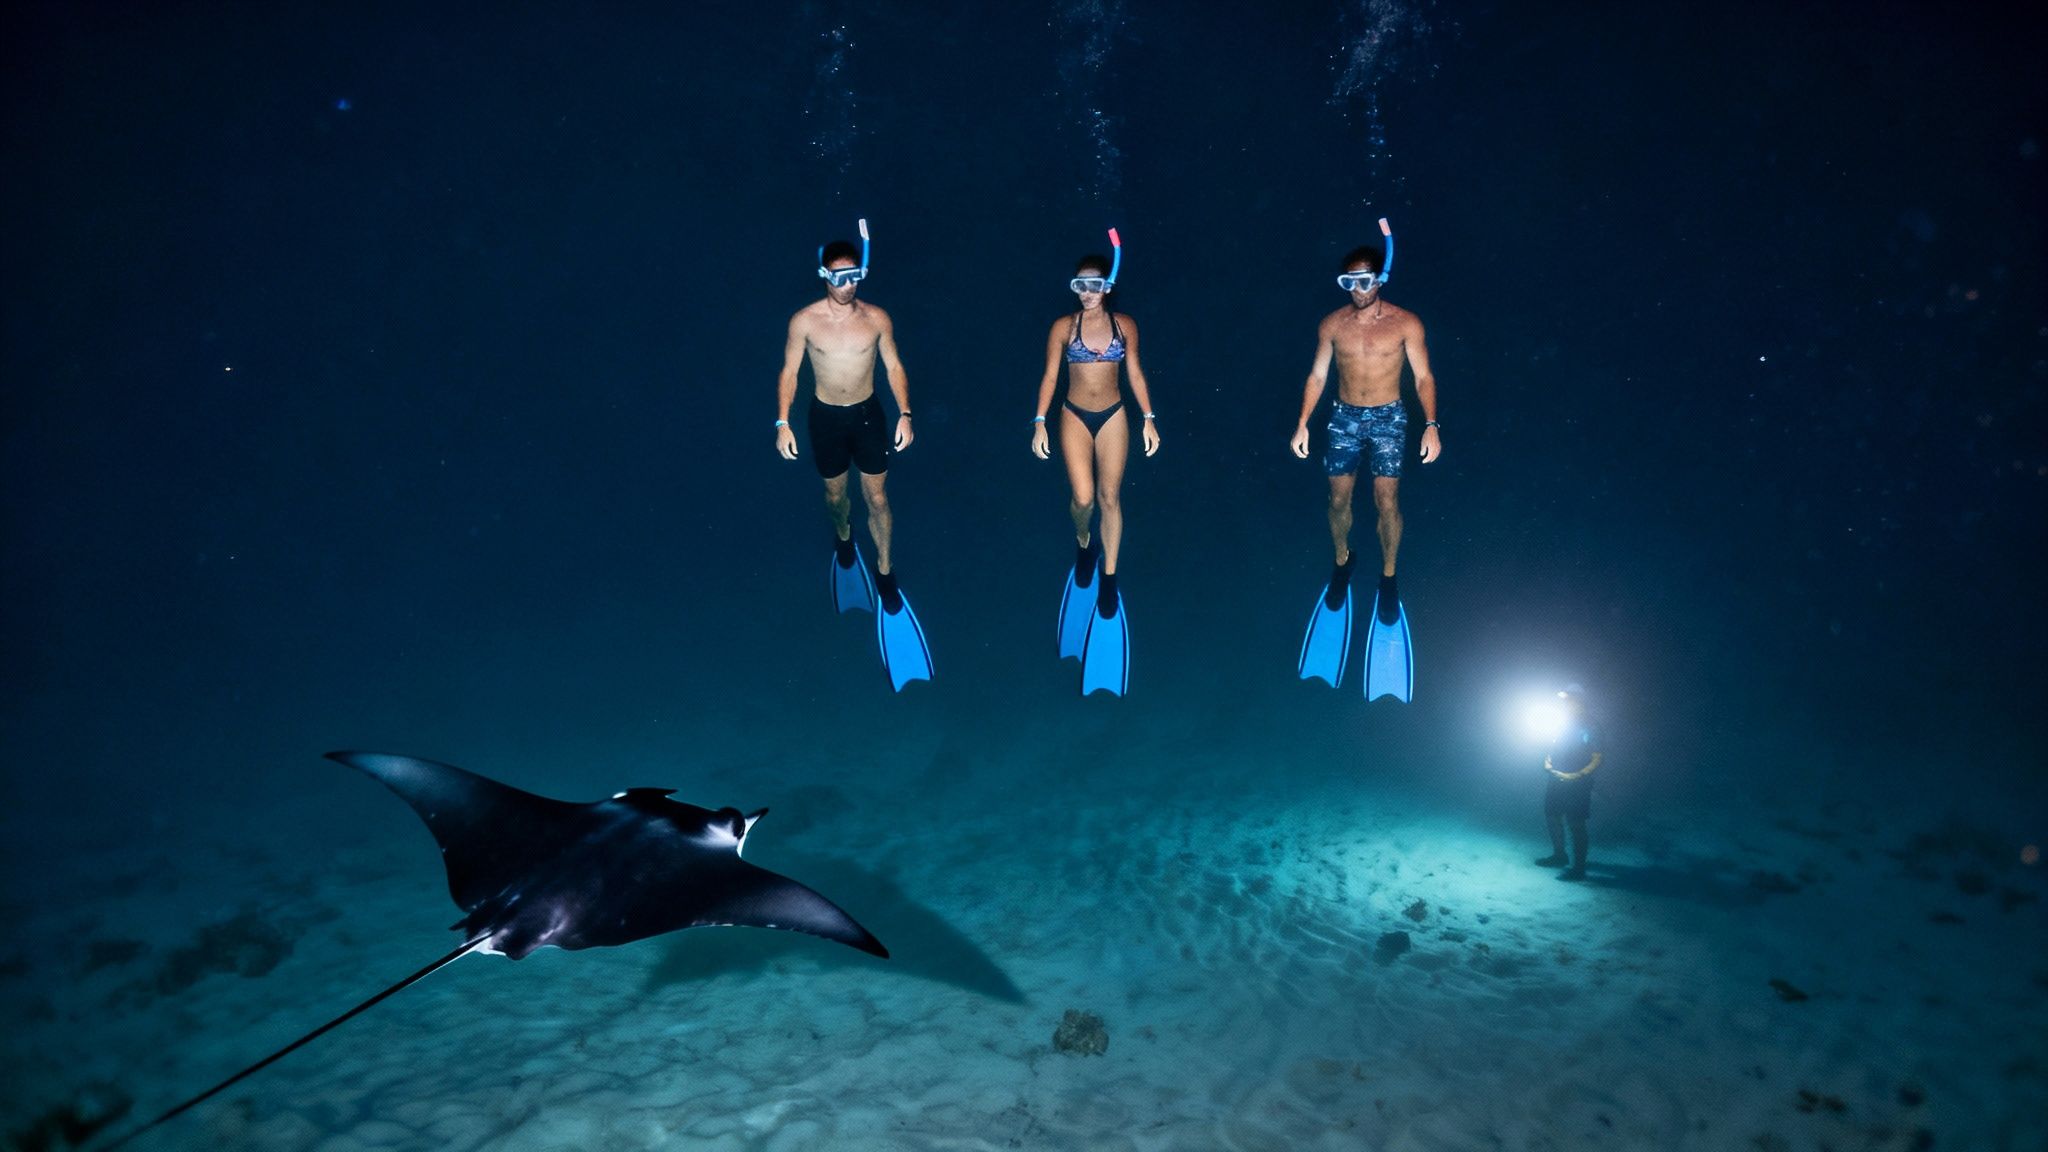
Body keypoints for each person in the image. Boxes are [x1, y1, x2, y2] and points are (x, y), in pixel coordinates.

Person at [775, 225, 931, 690]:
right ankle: (844, 542)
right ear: (824, 274)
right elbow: (789, 370)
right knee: (836, 497)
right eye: (840, 276)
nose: (848, 284)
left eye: (855, 275)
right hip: (824, 418)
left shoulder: (877, 318)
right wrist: (782, 422)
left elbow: (894, 366)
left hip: (868, 415)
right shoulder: (804, 321)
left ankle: (885, 573)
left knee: (878, 500)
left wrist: (905, 412)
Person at [1292, 228, 1440, 700]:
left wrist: (1432, 424)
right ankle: (1343, 562)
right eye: (1349, 282)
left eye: (1364, 281)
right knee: (1337, 500)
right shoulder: (1332, 324)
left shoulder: (1405, 323)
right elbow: (1317, 375)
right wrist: (1301, 424)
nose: (1357, 290)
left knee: (1385, 500)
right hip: (1342, 417)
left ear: (1381, 279)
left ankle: (1389, 576)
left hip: (1391, 418)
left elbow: (1424, 376)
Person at [1032, 246, 1159, 696]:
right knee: (1083, 500)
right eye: (1079, 285)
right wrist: (1039, 421)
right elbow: (1050, 375)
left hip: (1114, 417)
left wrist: (1148, 417)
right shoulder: (1063, 328)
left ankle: (1109, 578)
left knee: (1110, 498)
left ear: (1108, 286)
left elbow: (1137, 374)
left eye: (1093, 285)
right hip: (1072, 416)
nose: (1086, 293)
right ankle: (1084, 544)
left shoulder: (1126, 326)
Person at [1537, 687, 1604, 880]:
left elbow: (1598, 757)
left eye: (1570, 700)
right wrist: (1547, 761)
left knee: (1576, 822)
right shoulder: (1560, 721)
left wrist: (1580, 774)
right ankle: (1559, 855)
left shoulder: (1590, 725)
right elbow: (1552, 745)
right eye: (1564, 700)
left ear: (1580, 702)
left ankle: (1579, 867)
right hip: (1556, 777)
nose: (1565, 704)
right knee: (1552, 815)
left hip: (1578, 783)